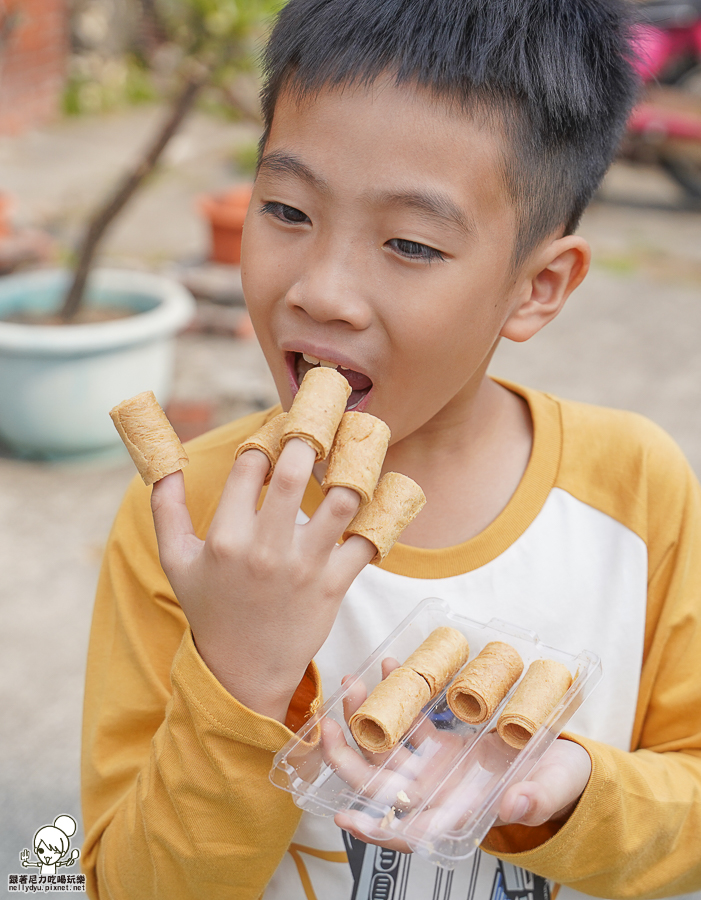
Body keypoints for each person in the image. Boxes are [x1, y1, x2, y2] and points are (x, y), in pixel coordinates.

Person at [80, 1, 701, 898]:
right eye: (286, 209)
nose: (322, 292)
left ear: (537, 288)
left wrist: (566, 798)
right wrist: (238, 682)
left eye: (410, 243)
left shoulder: (633, 490)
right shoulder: (186, 521)